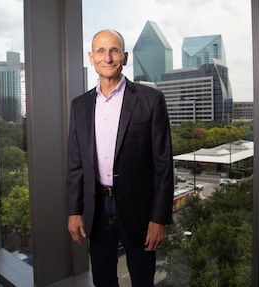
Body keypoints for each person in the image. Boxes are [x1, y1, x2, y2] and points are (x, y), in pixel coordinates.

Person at [66, 29, 174, 287]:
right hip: (97, 209)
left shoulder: (151, 100)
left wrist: (158, 218)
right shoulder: (79, 106)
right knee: (103, 279)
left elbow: (163, 165)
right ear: (91, 57)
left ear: (124, 57)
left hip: (139, 209)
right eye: (101, 51)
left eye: (114, 50)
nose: (108, 57)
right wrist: (74, 211)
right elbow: (75, 164)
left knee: (142, 279)